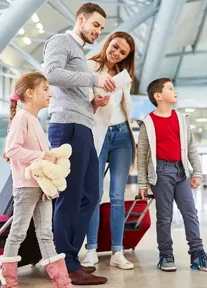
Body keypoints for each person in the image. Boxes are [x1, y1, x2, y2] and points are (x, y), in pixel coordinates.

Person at [43, 2, 115, 285]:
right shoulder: (61, 41)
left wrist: (92, 101)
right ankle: (66, 264)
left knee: (90, 194)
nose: (98, 32)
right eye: (95, 25)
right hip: (67, 127)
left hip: (82, 125)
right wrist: (94, 79)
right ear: (81, 19)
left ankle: (71, 257)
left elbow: (71, 88)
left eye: (101, 28)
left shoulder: (80, 55)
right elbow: (51, 74)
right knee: (70, 198)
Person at [137, 78, 207, 272]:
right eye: (170, 88)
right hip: (161, 173)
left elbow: (191, 148)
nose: (175, 91)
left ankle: (198, 254)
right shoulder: (148, 123)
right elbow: (142, 155)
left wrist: (197, 172)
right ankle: (165, 255)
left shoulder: (182, 119)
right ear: (158, 96)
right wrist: (142, 183)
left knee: (190, 213)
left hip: (181, 172)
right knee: (164, 217)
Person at [0, 72, 74, 287]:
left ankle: (63, 282)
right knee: (18, 233)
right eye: (46, 89)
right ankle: (10, 282)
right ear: (30, 94)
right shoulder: (22, 118)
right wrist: (43, 156)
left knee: (45, 233)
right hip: (26, 187)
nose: (50, 93)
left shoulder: (35, 120)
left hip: (43, 186)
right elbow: (12, 150)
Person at [82, 31, 136, 270]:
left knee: (117, 197)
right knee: (93, 195)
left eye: (123, 52)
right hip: (98, 134)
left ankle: (117, 252)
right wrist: (95, 103)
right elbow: (81, 102)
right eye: (115, 47)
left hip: (122, 135)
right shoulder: (88, 66)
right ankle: (91, 249)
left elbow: (125, 105)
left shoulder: (124, 75)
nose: (117, 53)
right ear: (108, 43)